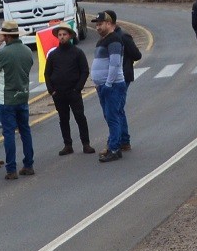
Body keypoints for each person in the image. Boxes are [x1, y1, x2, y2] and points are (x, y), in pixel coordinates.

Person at [0, 22, 36, 178]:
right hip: (23, 94)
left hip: (7, 98)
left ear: (6, 36)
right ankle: (28, 164)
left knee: (8, 134)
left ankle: (11, 168)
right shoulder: (27, 51)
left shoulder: (4, 53)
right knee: (25, 131)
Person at [91, 10, 137, 161]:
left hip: (112, 85)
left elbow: (115, 64)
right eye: (96, 25)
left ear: (109, 23)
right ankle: (113, 145)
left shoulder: (115, 40)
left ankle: (115, 148)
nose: (97, 27)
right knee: (109, 116)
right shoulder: (104, 40)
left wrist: (108, 84)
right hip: (103, 85)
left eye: (100, 24)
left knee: (113, 116)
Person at [43, 27, 93, 155]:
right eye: (59, 35)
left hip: (73, 92)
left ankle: (86, 144)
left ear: (70, 36)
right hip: (58, 93)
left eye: (64, 34)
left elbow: (84, 71)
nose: (62, 37)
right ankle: (67, 145)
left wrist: (78, 88)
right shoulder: (53, 55)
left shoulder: (77, 53)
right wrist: (51, 90)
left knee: (80, 117)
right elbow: (47, 73)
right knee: (63, 119)